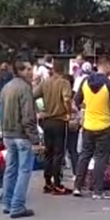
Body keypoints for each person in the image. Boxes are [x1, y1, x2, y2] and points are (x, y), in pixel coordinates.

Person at [72, 56, 110, 199]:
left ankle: (78, 187)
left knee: (84, 156)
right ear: (108, 67)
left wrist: (86, 109)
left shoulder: (85, 82)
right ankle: (98, 191)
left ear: (96, 66)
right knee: (100, 158)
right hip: (104, 126)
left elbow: (76, 101)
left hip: (88, 125)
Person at [0, 61, 40, 218]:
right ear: (21, 71)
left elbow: (1, 111)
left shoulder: (6, 87)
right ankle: (17, 205)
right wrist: (35, 138)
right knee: (24, 171)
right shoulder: (25, 88)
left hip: (8, 133)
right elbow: (28, 116)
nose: (31, 72)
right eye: (29, 69)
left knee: (10, 169)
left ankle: (7, 203)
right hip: (21, 135)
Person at [33, 61, 73, 195]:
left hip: (46, 120)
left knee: (48, 152)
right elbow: (66, 99)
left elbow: (33, 96)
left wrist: (40, 110)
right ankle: (57, 183)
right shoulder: (64, 83)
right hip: (59, 120)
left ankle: (47, 182)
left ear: (53, 70)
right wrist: (68, 113)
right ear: (63, 69)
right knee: (58, 153)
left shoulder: (45, 83)